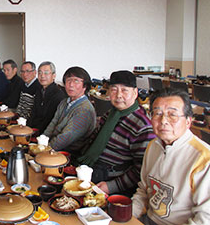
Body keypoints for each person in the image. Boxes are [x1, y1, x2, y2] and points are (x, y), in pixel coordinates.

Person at [132, 88, 210, 225]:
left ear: (188, 121)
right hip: (148, 219)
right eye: (157, 113)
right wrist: (127, 216)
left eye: (172, 114)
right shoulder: (153, 146)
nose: (163, 121)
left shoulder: (204, 158)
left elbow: (204, 219)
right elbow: (143, 191)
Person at [77, 70, 155, 196]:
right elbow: (92, 140)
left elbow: (141, 170)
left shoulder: (143, 126)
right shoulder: (110, 114)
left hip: (111, 180)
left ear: (135, 93)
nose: (118, 95)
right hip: (91, 168)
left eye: (124, 90)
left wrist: (111, 186)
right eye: (114, 89)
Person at [43, 67, 96, 154]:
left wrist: (45, 150)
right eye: (68, 80)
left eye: (76, 81)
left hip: (68, 153)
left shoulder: (84, 110)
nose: (71, 84)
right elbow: (52, 124)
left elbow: (65, 138)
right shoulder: (64, 102)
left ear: (85, 86)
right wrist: (42, 141)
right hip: (53, 147)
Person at [28, 61, 66, 133]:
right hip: (33, 129)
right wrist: (27, 127)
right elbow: (33, 111)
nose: (42, 76)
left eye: (46, 73)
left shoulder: (58, 95)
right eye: (40, 73)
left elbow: (49, 120)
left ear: (54, 75)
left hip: (44, 133)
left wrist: (35, 132)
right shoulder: (39, 89)